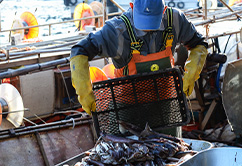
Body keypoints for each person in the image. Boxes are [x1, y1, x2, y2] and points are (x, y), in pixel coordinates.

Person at [70, 0, 208, 134]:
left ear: (164, 10)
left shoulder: (175, 20)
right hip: (127, 111)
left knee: (172, 149)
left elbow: (198, 43)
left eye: (152, 20)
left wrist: (191, 75)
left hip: (166, 105)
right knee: (130, 153)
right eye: (143, 20)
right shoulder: (117, 30)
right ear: (131, 6)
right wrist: (84, 92)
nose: (147, 28)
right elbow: (79, 51)